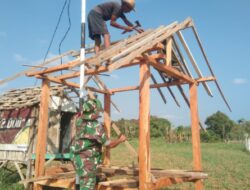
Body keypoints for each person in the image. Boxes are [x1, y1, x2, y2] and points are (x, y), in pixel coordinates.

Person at [71, 96, 127, 190]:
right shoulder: (96, 126)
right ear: (93, 111)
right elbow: (109, 144)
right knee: (87, 187)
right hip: (87, 163)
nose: (99, 113)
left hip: (77, 159)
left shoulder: (79, 121)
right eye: (98, 111)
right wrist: (120, 140)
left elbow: (86, 125)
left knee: (83, 182)